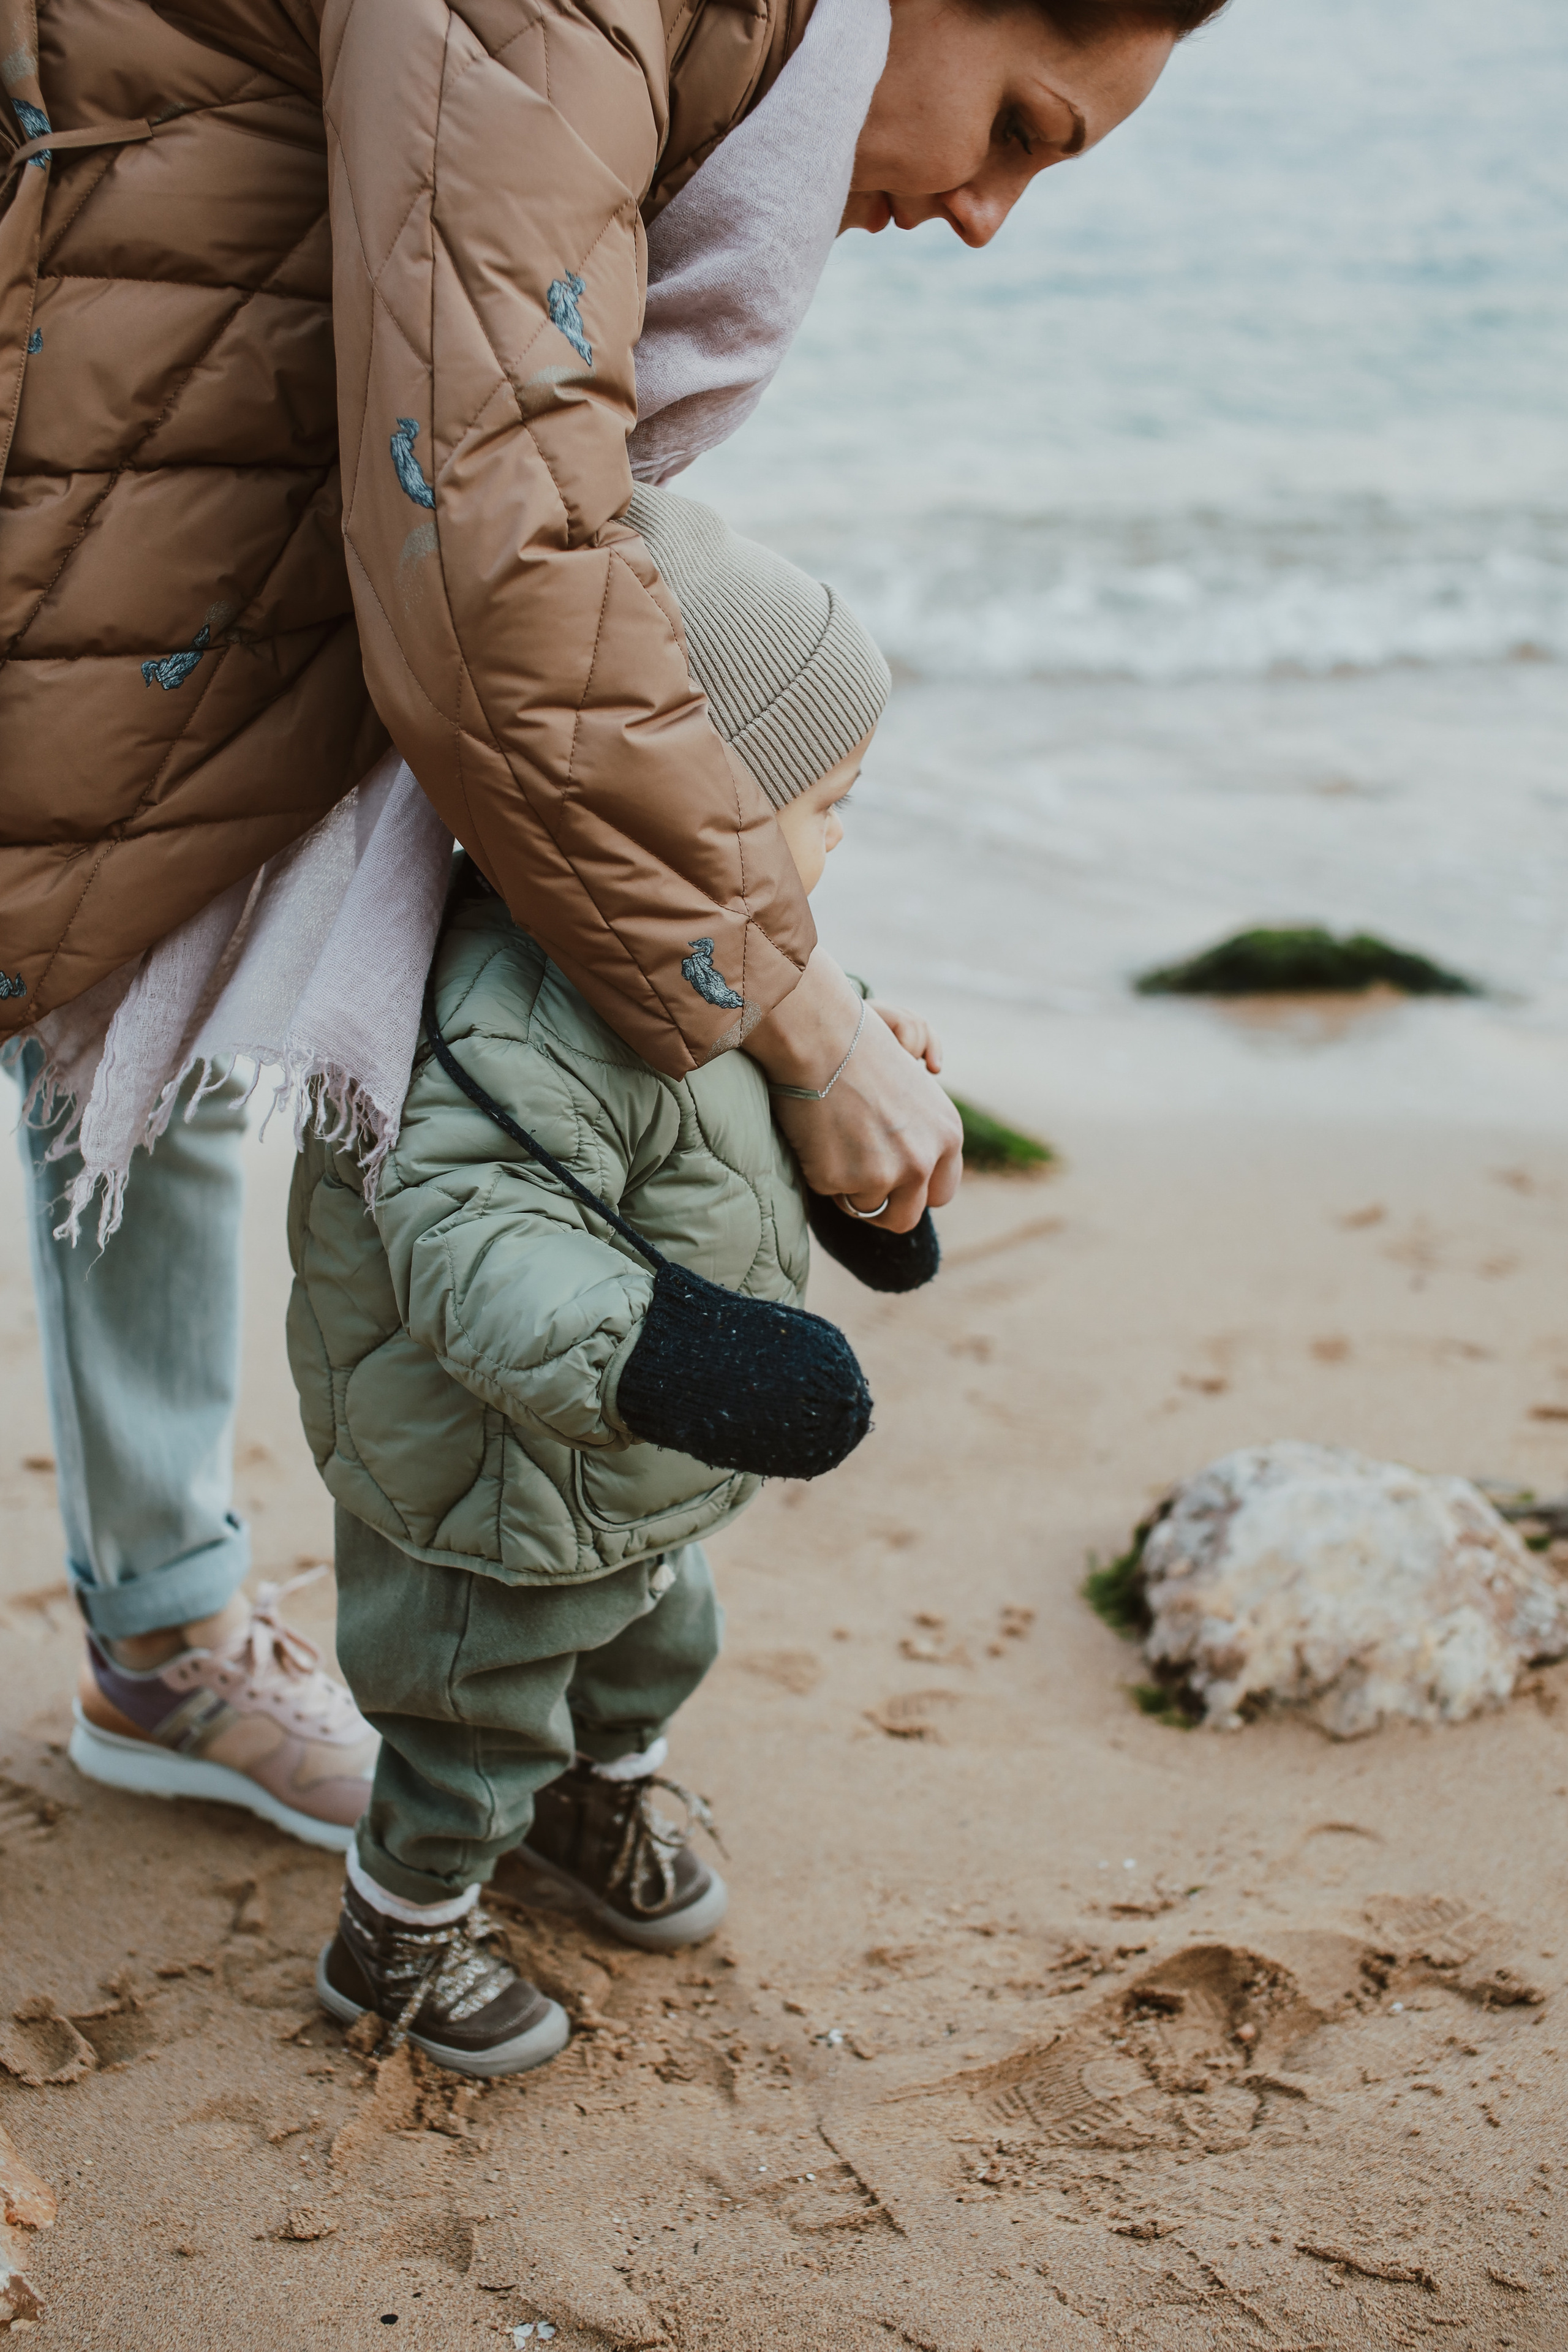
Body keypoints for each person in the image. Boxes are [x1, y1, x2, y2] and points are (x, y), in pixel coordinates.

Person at [2, 0, 1228, 1845]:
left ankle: (164, 1632)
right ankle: (177, 1630)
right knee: (130, 1001)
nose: (989, 214)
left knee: (151, 972)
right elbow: (500, 544)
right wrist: (799, 1027)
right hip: (76, 456)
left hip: (131, 497)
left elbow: (522, 499)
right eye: (1022, 130)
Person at [292, 488, 939, 2074]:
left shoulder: (717, 965)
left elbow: (747, 1135)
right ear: (689, 815)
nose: (841, 835)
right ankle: (401, 1935)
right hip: (494, 1486)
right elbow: (474, 1250)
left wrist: (864, 1192)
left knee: (658, 1640)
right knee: (472, 1725)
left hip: (629, 1468)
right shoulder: (500, 1009)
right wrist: (670, 1356)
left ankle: (596, 1792)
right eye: (820, 800)